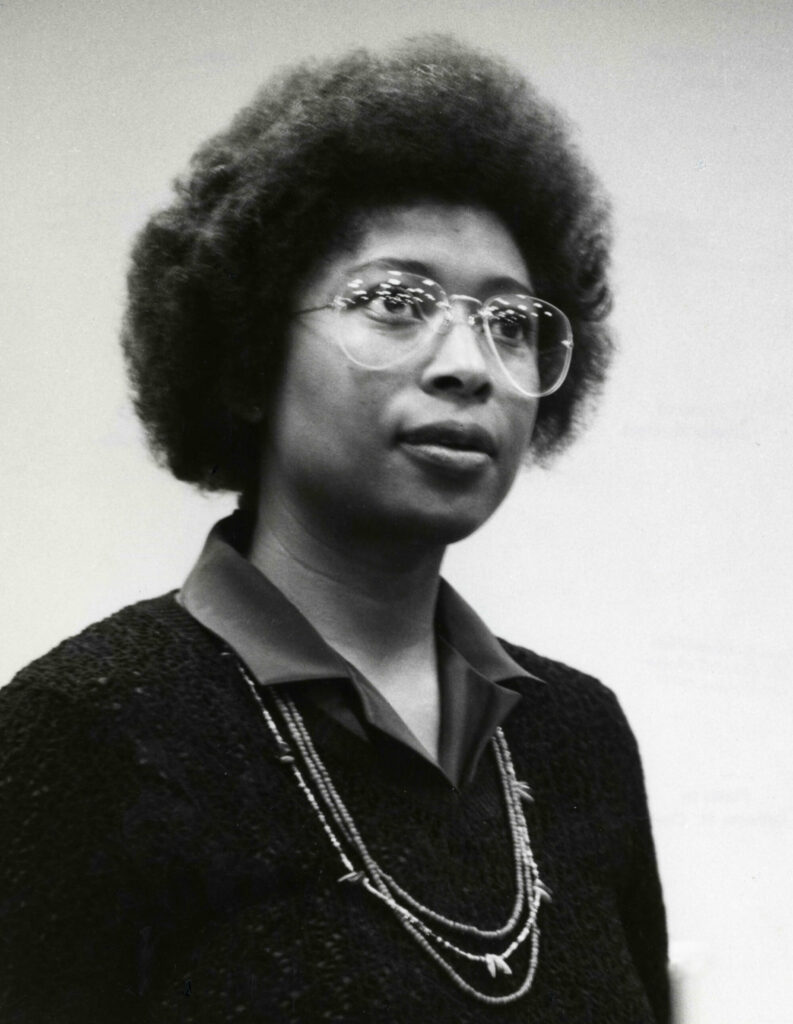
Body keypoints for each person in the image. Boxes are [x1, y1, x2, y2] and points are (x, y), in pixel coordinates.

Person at [0, 35, 669, 1024]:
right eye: (396, 303)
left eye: (512, 322)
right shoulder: (84, 737)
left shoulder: (580, 739)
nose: (469, 365)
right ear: (247, 355)